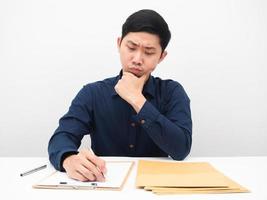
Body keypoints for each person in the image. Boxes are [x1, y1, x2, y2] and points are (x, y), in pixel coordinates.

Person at [48, 9, 192, 182]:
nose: (137, 59)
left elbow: (181, 149)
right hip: (105, 184)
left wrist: (137, 99)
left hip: (156, 185)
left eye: (149, 52)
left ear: (161, 56)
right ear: (119, 44)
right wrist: (68, 159)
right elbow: (62, 136)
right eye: (131, 47)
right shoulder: (92, 93)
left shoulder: (172, 92)